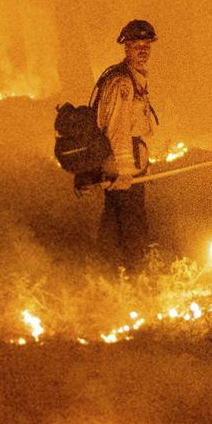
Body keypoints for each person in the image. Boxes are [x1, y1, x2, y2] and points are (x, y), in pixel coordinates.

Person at [77, 20, 161, 270]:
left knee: (114, 224)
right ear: (126, 47)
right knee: (132, 226)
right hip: (123, 168)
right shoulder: (123, 83)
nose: (143, 50)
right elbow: (117, 130)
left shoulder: (133, 79)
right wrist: (124, 172)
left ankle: (108, 275)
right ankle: (136, 278)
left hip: (129, 165)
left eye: (147, 45)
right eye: (137, 45)